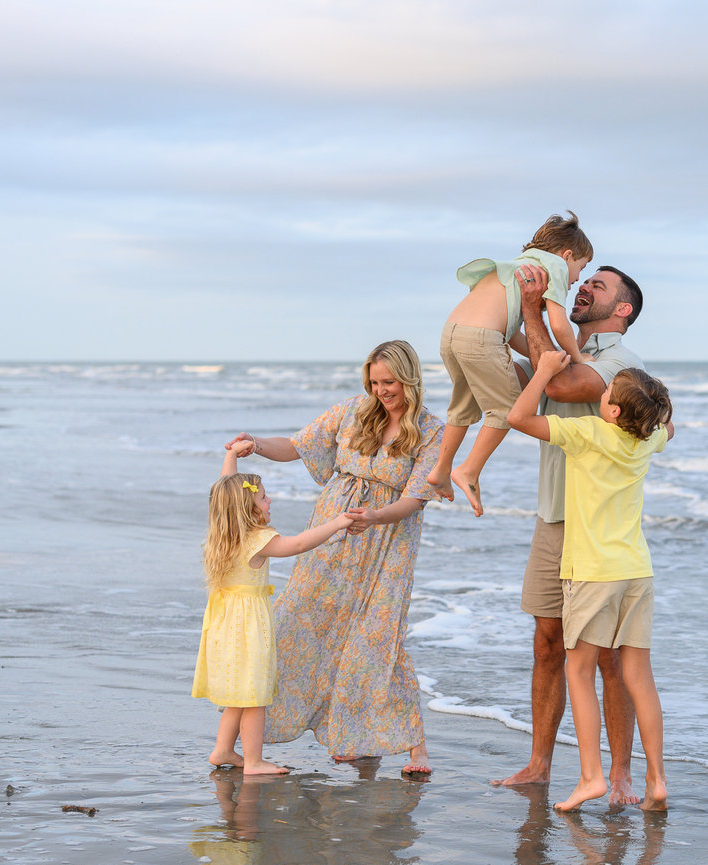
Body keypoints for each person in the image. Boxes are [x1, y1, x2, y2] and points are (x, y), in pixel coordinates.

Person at [226, 340, 442, 776]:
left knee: (378, 637)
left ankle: (414, 748)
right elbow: (298, 445)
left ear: (410, 378)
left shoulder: (433, 431)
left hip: (387, 544)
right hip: (331, 532)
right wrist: (257, 444)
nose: (382, 390)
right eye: (375, 382)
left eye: (390, 382)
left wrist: (377, 515)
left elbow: (417, 497)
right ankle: (249, 740)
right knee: (300, 622)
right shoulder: (352, 412)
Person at [492, 261, 649, 806]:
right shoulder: (571, 349)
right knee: (546, 645)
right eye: (584, 282)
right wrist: (504, 315)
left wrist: (535, 309)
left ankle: (621, 776)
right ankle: (539, 765)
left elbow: (554, 383)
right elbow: (534, 368)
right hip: (551, 517)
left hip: (596, 532)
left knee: (607, 656)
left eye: (597, 286)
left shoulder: (621, 366)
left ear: (622, 309)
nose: (584, 288)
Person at [508, 354, 672, 811]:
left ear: (614, 411)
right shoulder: (647, 440)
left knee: (578, 671)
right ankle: (657, 780)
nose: (599, 398)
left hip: (592, 573)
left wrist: (541, 372)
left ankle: (590, 778)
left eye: (605, 394)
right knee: (639, 675)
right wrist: (653, 414)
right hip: (637, 570)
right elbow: (667, 429)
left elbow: (519, 417)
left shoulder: (588, 434)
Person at [191, 459, 354, 775]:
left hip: (223, 625)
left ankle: (223, 749)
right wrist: (337, 522)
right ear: (249, 509)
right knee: (254, 695)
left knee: (239, 692)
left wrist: (232, 456)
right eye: (263, 497)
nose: (270, 501)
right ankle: (253, 761)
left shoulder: (222, 533)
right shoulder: (257, 539)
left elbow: (226, 489)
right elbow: (298, 544)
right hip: (247, 628)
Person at [427, 212, 594, 517]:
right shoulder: (553, 266)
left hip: (452, 334)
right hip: (481, 338)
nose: (578, 278)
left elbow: (511, 333)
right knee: (507, 410)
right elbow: (558, 325)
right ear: (567, 255)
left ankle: (440, 469)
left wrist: (550, 358)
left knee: (463, 406)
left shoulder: (518, 266)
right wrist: (578, 357)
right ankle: (468, 470)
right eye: (581, 268)